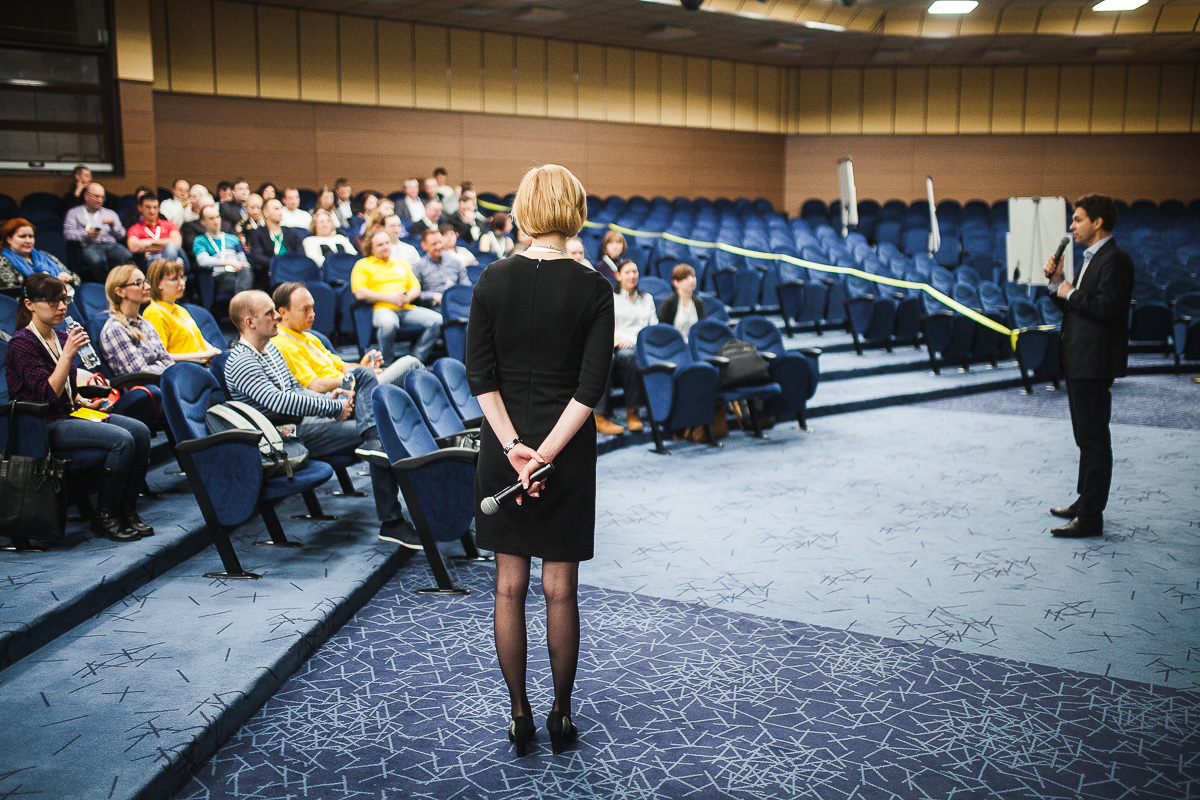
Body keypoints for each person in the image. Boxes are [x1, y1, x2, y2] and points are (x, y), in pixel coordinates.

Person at [466, 163, 613, 757]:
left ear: (524, 210)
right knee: (560, 590)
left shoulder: (491, 281)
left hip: (505, 449)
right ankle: (560, 715)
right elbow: (591, 384)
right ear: (574, 211)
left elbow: (481, 376)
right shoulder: (593, 285)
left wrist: (514, 450)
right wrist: (548, 455)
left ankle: (519, 714)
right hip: (566, 452)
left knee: (509, 587)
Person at [224, 289, 420, 548]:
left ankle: (375, 443)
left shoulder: (268, 350)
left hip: (302, 424)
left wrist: (330, 400)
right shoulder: (241, 360)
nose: (276, 317)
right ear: (250, 322)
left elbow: (294, 389)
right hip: (282, 439)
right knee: (383, 433)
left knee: (368, 397)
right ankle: (392, 522)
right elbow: (277, 401)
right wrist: (331, 408)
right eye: (269, 313)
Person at [4, 273, 152, 542]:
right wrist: (68, 354)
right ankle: (105, 517)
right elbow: (46, 395)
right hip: (42, 425)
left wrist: (82, 402)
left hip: (69, 413)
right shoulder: (21, 344)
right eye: (52, 301)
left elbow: (65, 390)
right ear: (29, 305)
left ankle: (126, 510)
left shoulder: (60, 336)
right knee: (122, 440)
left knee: (139, 432)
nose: (61, 307)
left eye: (64, 300)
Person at [1043, 194, 1135, 538]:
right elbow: (1076, 308)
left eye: (1078, 219)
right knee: (1085, 438)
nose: (1072, 226)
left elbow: (1107, 308)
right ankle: (1085, 501)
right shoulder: (1091, 259)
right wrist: (1057, 284)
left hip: (1095, 361)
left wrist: (1068, 291)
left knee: (1095, 440)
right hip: (1079, 358)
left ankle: (1091, 517)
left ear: (1098, 222)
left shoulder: (1116, 259)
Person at [271, 281, 423, 394]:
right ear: (283, 313)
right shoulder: (283, 344)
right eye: (305, 310)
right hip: (342, 395)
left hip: (352, 384)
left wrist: (363, 367)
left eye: (312, 308)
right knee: (411, 364)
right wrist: (359, 376)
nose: (312, 314)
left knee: (408, 381)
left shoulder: (309, 337)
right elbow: (314, 386)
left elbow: (342, 367)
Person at [351, 229, 442, 365]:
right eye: (380, 245)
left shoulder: (401, 264)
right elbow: (360, 292)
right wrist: (389, 298)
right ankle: (386, 362)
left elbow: (416, 288)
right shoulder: (363, 265)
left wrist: (407, 297)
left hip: (406, 307)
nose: (385, 247)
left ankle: (415, 359)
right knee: (389, 323)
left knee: (437, 320)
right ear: (371, 248)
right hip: (382, 308)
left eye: (387, 243)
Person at [597, 259, 656, 434]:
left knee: (632, 356)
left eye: (635, 272)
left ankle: (638, 412)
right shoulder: (611, 297)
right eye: (628, 272)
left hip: (643, 346)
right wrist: (617, 338)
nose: (632, 276)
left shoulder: (647, 298)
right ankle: (631, 411)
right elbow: (608, 324)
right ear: (618, 276)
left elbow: (653, 326)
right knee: (626, 356)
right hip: (621, 343)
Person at [98, 264, 174, 377]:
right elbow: (141, 373)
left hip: (163, 382)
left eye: (146, 281)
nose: (147, 286)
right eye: (139, 283)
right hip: (145, 389)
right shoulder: (116, 329)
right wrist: (168, 372)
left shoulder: (145, 323)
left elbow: (167, 360)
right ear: (120, 292)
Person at [142, 259, 223, 363]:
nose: (182, 283)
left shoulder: (181, 309)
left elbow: (201, 341)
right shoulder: (154, 313)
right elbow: (162, 355)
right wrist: (204, 354)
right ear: (158, 283)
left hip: (201, 365)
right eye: (175, 279)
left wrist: (215, 353)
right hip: (184, 371)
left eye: (182, 277)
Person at [63, 182, 131, 281]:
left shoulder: (110, 213)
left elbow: (121, 235)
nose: (100, 200)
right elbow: (67, 234)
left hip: (111, 244)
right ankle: (107, 285)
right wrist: (86, 234)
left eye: (102, 197)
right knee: (97, 261)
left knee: (127, 256)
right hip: (90, 245)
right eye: (96, 197)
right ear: (86, 196)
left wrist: (113, 225)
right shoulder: (74, 213)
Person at [0, 218, 81, 297]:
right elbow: (11, 291)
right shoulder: (3, 261)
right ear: (9, 239)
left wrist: (68, 279)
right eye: (22, 236)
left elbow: (77, 279)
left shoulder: (44, 256)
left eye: (31, 236)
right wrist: (53, 284)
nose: (28, 241)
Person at [192, 203, 254, 296]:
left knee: (246, 270)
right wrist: (229, 263)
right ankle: (243, 299)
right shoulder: (200, 240)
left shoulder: (233, 238)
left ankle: (241, 300)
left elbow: (243, 260)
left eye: (217, 217)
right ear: (203, 222)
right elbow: (203, 261)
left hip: (239, 272)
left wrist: (241, 265)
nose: (216, 221)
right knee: (238, 283)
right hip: (221, 275)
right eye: (211, 218)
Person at [247, 198, 305, 289]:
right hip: (269, 274)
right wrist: (278, 264)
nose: (280, 211)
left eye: (281, 208)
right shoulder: (257, 233)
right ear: (266, 213)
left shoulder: (292, 232)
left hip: (293, 271)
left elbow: (300, 253)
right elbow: (257, 256)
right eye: (276, 209)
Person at [126, 193, 187, 266]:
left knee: (171, 247)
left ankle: (166, 272)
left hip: (172, 257)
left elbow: (176, 243)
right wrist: (163, 245)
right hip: (153, 262)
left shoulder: (169, 224)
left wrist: (150, 242)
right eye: (148, 207)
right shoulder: (135, 228)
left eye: (155, 207)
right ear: (140, 208)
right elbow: (133, 247)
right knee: (178, 262)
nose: (152, 211)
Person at [413, 228, 468, 308]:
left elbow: (466, 285)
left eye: (440, 242)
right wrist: (432, 295)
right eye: (434, 244)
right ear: (424, 245)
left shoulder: (455, 262)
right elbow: (416, 293)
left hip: (456, 303)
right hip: (434, 306)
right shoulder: (419, 266)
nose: (439, 246)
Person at [657, 263, 706, 341]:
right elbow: (664, 331)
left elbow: (703, 327)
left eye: (693, 276)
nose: (692, 280)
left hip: (695, 344)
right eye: (686, 278)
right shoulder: (668, 303)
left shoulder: (698, 302)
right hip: (674, 344)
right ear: (676, 282)